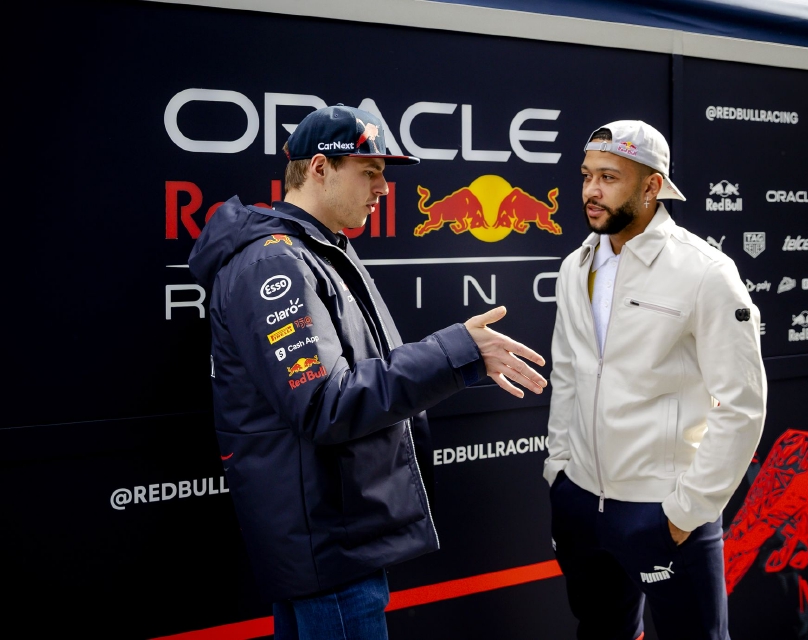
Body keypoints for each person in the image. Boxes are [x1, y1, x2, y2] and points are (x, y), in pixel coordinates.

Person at [188, 104, 547, 639]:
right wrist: (454, 353)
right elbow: (325, 403)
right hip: (329, 548)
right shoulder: (274, 262)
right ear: (320, 168)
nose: (383, 188)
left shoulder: (321, 249)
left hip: (339, 538)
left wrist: (459, 358)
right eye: (370, 172)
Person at [544, 120, 767, 640]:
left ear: (652, 186)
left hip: (663, 510)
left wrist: (686, 511)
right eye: (586, 175)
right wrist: (560, 471)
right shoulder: (575, 267)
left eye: (609, 177)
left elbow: (742, 405)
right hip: (580, 503)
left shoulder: (705, 272)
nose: (591, 190)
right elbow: (568, 373)